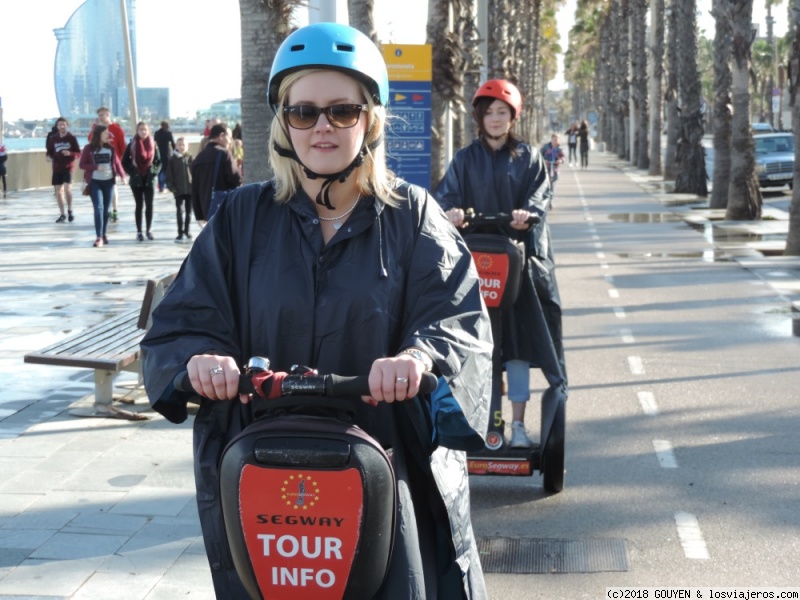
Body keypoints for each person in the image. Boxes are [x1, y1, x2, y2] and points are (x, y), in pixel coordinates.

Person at [141, 22, 492, 600]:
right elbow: (181, 321)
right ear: (283, 122)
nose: (322, 126)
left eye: (342, 111)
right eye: (303, 112)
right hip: (266, 478)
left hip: (383, 469)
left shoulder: (412, 217)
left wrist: (418, 359)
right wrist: (195, 362)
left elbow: (459, 322)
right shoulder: (241, 218)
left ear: (370, 119)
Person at [434, 79, 566, 449]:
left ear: (513, 117)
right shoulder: (465, 159)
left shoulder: (528, 157)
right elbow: (446, 196)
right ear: (479, 116)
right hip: (476, 270)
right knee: (476, 348)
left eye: (502, 113)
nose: (495, 119)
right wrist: (452, 212)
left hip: (517, 268)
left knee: (518, 348)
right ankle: (478, 423)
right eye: (489, 112)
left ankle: (519, 426)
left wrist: (530, 213)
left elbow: (541, 195)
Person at [79, 124, 126, 247]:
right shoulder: (89, 148)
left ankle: (104, 233)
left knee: (106, 210)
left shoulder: (111, 148)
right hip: (95, 182)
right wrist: (95, 167)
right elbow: (82, 165)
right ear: (98, 134)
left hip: (109, 182)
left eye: (108, 133)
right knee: (98, 208)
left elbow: (117, 163)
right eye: (105, 133)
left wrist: (122, 176)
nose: (108, 135)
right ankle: (98, 237)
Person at [190, 122, 241, 223]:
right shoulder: (224, 153)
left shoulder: (198, 158)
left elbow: (194, 188)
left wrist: (200, 214)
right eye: (230, 138)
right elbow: (236, 179)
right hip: (224, 206)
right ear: (221, 136)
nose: (231, 142)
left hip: (206, 209)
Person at [122, 122, 161, 241]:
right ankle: (139, 231)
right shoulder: (132, 144)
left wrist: (154, 172)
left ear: (148, 131)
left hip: (149, 179)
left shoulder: (154, 144)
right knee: (139, 205)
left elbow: (159, 162)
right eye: (140, 129)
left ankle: (149, 230)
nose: (143, 132)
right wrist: (132, 173)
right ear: (137, 131)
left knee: (149, 205)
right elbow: (124, 162)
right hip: (136, 180)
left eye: (145, 129)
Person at [89, 107, 127, 222]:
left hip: (113, 163)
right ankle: (107, 210)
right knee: (102, 189)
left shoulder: (117, 129)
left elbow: (123, 147)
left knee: (113, 187)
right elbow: (90, 140)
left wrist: (122, 165)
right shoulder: (98, 128)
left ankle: (114, 210)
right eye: (99, 115)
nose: (101, 117)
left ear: (108, 114)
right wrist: (93, 127)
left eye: (103, 115)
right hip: (99, 162)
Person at [45, 117, 81, 223]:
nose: (62, 126)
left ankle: (70, 210)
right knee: (58, 192)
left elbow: (78, 153)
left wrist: (70, 153)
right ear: (57, 126)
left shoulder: (72, 138)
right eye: (60, 124)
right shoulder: (53, 139)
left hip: (68, 167)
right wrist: (47, 156)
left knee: (67, 190)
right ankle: (62, 214)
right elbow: (49, 152)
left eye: (63, 124)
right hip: (56, 168)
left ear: (67, 126)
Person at [165, 137, 193, 242]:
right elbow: (169, 176)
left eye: (183, 145)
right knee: (180, 211)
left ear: (187, 146)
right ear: (176, 146)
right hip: (178, 191)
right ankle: (180, 232)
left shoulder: (190, 158)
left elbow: (196, 173)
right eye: (179, 145)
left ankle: (187, 230)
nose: (181, 147)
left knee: (189, 212)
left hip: (190, 190)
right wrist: (172, 188)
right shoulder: (173, 160)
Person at [153, 120, 176, 193]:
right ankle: (166, 185)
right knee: (166, 170)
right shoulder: (168, 133)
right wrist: (175, 152)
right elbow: (173, 144)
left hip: (159, 153)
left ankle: (161, 186)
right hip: (167, 153)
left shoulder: (157, 133)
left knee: (160, 170)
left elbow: (154, 143)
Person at [541, 133, 565, 198]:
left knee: (553, 183)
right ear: (551, 140)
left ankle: (550, 198)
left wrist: (560, 160)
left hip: (555, 168)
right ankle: (545, 195)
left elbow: (563, 157)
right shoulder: (546, 147)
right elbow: (540, 156)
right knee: (546, 183)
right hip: (547, 167)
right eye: (554, 140)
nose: (555, 141)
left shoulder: (559, 149)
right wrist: (544, 161)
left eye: (556, 140)